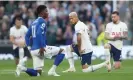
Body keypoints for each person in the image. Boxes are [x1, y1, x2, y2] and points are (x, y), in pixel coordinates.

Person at [16, 5, 65, 77]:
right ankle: (52, 71)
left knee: (37, 73)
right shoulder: (42, 21)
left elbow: (27, 36)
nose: (48, 13)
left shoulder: (34, 22)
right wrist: (42, 47)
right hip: (41, 49)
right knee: (62, 51)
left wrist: (29, 47)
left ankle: (22, 68)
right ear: (42, 13)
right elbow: (39, 33)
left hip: (33, 50)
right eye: (46, 11)